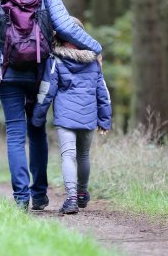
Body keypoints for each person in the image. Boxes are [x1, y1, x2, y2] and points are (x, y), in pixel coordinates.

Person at [0, 0, 102, 211]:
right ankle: (40, 195)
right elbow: (67, 27)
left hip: (7, 72)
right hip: (40, 72)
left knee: (14, 133)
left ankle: (21, 198)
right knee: (37, 131)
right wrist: (95, 47)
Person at [31, 17, 112, 214]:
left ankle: (71, 198)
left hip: (66, 118)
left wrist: (37, 116)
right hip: (88, 116)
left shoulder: (56, 60)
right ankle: (83, 193)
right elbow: (103, 92)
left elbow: (47, 90)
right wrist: (104, 119)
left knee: (68, 156)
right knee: (83, 155)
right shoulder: (94, 61)